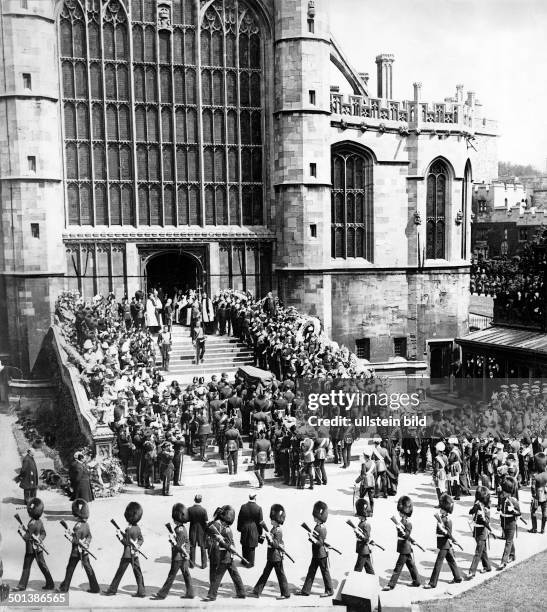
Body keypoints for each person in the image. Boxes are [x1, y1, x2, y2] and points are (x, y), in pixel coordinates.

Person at [203, 505, 246, 601]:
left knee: (218, 576)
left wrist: (223, 542)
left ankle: (212, 595)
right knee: (234, 574)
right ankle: (241, 592)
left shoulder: (226, 529)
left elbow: (230, 543)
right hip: (226, 555)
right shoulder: (223, 527)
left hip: (226, 555)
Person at [152, 503, 194, 600]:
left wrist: (172, 541)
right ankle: (190, 593)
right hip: (182, 556)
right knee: (186, 575)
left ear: (177, 518)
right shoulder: (181, 528)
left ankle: (162, 594)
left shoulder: (179, 530)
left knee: (171, 576)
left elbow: (178, 546)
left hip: (179, 556)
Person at [104, 501, 146, 597]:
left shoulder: (128, 529)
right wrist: (137, 546)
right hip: (135, 554)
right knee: (138, 573)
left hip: (127, 554)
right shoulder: (137, 528)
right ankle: (141, 591)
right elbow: (141, 539)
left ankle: (112, 589)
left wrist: (119, 536)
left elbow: (125, 543)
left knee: (120, 572)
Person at [58, 499, 100, 594]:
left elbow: (75, 541)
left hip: (76, 552)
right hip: (84, 551)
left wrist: (68, 535)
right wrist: (86, 543)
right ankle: (95, 587)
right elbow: (89, 536)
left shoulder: (77, 526)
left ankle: (64, 588)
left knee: (70, 569)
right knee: (88, 568)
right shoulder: (86, 525)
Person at [251, 504, 290, 599]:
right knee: (265, 574)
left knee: (280, 576)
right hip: (272, 556)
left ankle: (285, 594)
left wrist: (270, 538)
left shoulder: (278, 531)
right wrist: (264, 537)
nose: (271, 520)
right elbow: (268, 541)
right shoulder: (273, 529)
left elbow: (276, 544)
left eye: (272, 520)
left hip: (276, 557)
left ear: (277, 520)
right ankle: (257, 592)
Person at [15, 498, 55, 591]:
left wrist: (20, 531)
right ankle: (50, 583)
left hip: (30, 549)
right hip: (38, 548)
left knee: (26, 567)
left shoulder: (31, 523)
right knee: (42, 565)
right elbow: (43, 533)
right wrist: (39, 539)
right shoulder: (39, 521)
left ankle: (22, 585)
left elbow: (26, 538)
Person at [423, 493, 462, 589]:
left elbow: (448, 534)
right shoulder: (442, 518)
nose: (440, 509)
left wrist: (442, 527)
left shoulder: (447, 520)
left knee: (438, 563)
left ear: (446, 510)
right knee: (451, 560)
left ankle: (432, 583)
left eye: (442, 508)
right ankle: (457, 577)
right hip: (443, 543)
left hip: (444, 544)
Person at [383, 496, 421, 590]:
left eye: (400, 511)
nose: (399, 513)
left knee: (398, 567)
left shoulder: (408, 523)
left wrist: (401, 530)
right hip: (403, 546)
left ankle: (391, 584)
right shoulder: (401, 522)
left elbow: (406, 536)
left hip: (405, 547)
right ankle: (417, 581)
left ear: (404, 512)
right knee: (411, 565)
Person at [296, 501, 333, 598]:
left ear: (319, 517)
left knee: (324, 572)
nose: (314, 517)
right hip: (317, 554)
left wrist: (312, 538)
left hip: (321, 554)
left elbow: (320, 543)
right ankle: (305, 590)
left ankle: (329, 590)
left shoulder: (321, 528)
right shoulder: (319, 526)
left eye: (315, 516)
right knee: (311, 571)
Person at [466, 485, 493, 579]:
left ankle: (472, 572)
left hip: (482, 532)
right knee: (483, 551)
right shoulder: (478, 505)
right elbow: (470, 512)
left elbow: (487, 522)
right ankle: (487, 567)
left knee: (478, 552)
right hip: (476, 530)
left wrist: (482, 516)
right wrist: (475, 508)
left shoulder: (486, 508)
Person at [497, 476, 521, 570]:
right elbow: (500, 508)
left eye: (505, 492)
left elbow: (519, 513)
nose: (503, 493)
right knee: (509, 539)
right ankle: (512, 554)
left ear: (509, 491)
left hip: (511, 523)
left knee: (508, 542)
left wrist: (513, 511)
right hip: (503, 522)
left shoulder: (514, 501)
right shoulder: (502, 498)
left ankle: (503, 561)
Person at [237, 494, 263, 568]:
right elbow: (260, 522)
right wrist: (260, 532)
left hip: (244, 527)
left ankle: (244, 561)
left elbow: (240, 518)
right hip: (253, 528)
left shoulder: (243, 506)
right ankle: (250, 563)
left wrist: (239, 528)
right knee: (252, 546)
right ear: (255, 498)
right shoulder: (258, 508)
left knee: (244, 544)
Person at [353, 498, 374, 574]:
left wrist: (358, 533)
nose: (358, 516)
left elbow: (366, 538)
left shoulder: (366, 524)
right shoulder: (361, 523)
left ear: (363, 515)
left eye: (360, 515)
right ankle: (373, 580)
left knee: (357, 569)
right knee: (369, 568)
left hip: (363, 548)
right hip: (362, 548)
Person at [188, 495, 209, 569]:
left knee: (192, 547)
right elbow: (206, 520)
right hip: (201, 531)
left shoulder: (190, 509)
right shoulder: (203, 510)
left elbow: (187, 519)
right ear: (201, 500)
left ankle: (192, 564)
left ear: (194, 499)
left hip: (192, 530)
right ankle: (204, 564)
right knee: (203, 547)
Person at [529, 452, 547, 534]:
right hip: (545, 494)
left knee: (533, 511)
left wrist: (533, 495)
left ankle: (534, 528)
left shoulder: (535, 476)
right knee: (544, 512)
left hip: (537, 495)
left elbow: (533, 487)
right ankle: (543, 529)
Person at [355, 449, 376, 514]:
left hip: (365, 483)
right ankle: (371, 511)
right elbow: (375, 473)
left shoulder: (364, 464)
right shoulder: (373, 463)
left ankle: (360, 511)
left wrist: (356, 481)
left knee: (361, 497)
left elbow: (363, 475)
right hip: (372, 482)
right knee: (371, 498)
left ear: (365, 456)